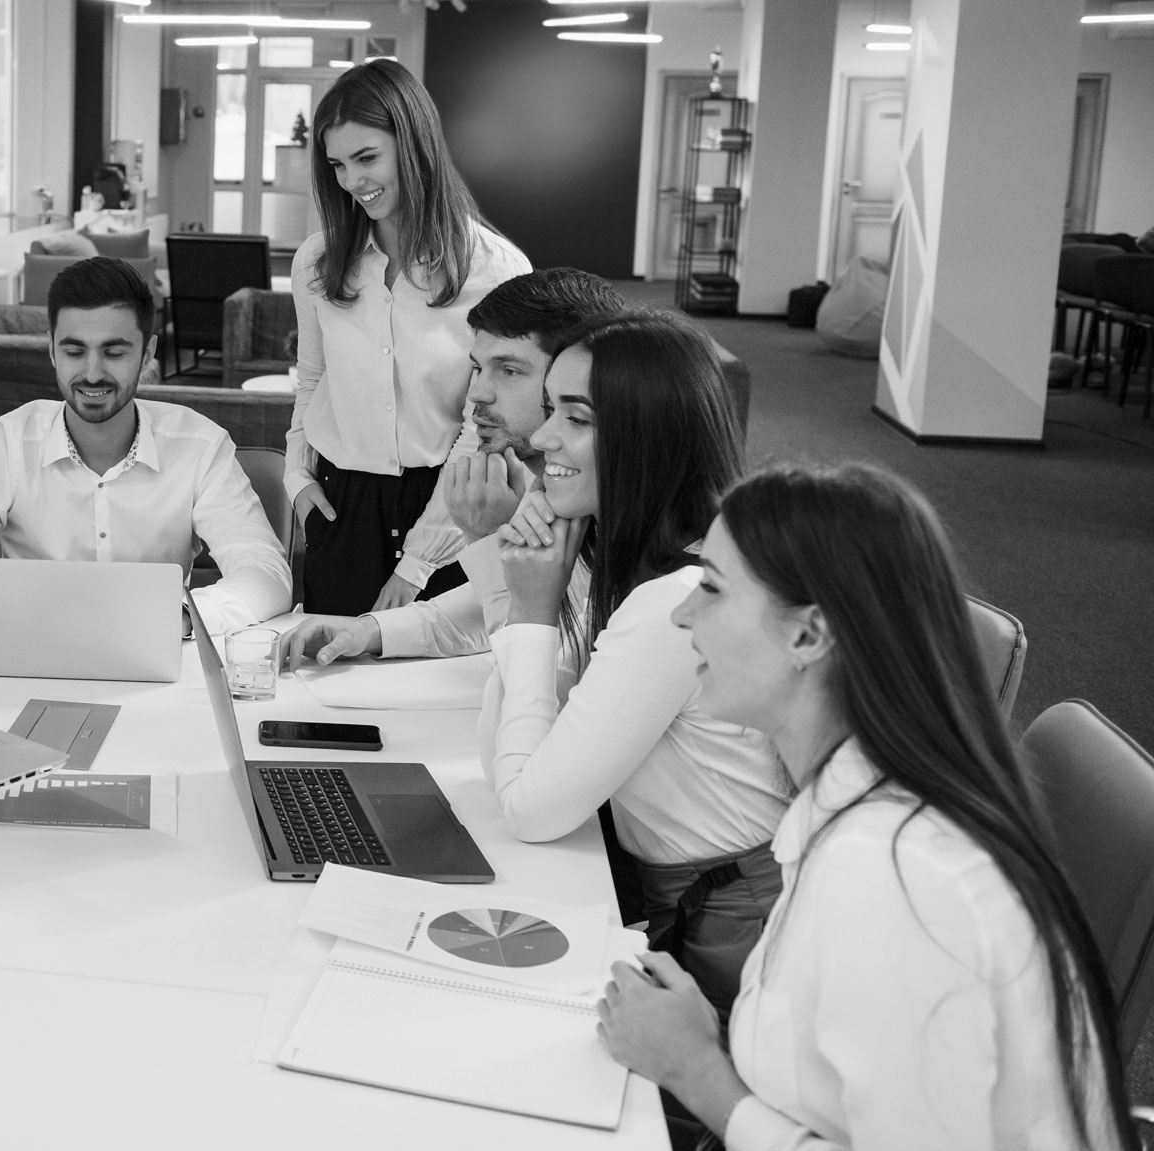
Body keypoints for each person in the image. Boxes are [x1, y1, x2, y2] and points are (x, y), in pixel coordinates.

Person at [598, 463, 1135, 1151]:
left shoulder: (892, 877)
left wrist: (698, 1071)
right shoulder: (855, 803)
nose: (681, 614)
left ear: (808, 636)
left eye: (711, 587)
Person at [481, 310, 790, 1015]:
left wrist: (530, 612)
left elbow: (527, 808)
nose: (541, 438)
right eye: (550, 409)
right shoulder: (655, 566)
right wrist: (534, 601)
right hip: (691, 901)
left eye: (576, 418)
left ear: (647, 437)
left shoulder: (676, 603)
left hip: (735, 933)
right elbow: (509, 759)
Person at [0, 256, 291, 636]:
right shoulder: (11, 441)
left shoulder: (200, 445)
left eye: (114, 352)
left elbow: (266, 573)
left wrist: (178, 617)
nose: (92, 373)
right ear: (52, 350)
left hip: (158, 652)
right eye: (74, 351)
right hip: (28, 649)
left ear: (147, 353)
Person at [279, 268, 625, 667]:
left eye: (509, 371)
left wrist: (487, 538)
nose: (476, 393)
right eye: (477, 368)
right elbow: (487, 607)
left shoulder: (606, 503)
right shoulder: (547, 483)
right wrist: (369, 631)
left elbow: (531, 673)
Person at [287, 58, 531, 617]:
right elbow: (313, 380)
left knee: (439, 666)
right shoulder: (317, 261)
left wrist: (418, 560)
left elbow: (484, 425)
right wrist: (296, 477)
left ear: (414, 145)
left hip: (449, 503)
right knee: (332, 666)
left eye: (367, 158)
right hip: (339, 504)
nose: (352, 182)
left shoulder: (495, 269)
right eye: (337, 165)